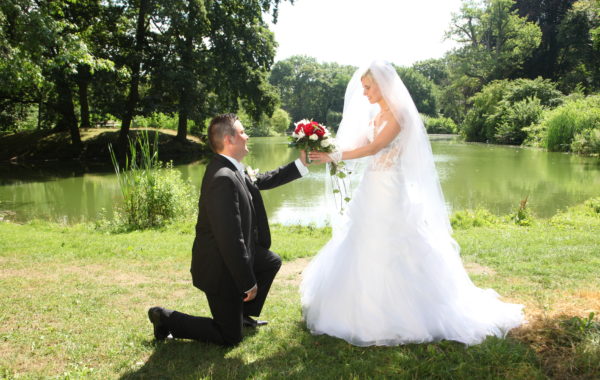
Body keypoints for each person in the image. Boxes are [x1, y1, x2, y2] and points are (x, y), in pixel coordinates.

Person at [302, 60, 524, 346]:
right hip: (371, 186)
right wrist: (323, 145)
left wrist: (335, 157)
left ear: (382, 85)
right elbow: (356, 143)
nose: (365, 93)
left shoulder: (398, 115)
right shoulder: (374, 116)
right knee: (363, 240)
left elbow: (374, 148)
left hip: (392, 188)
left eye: (368, 87)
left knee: (396, 243)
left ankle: (406, 312)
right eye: (364, 88)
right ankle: (354, 307)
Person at [148, 113, 309, 346]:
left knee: (270, 261)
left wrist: (301, 164)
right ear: (229, 140)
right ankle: (164, 318)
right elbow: (230, 240)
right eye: (242, 132)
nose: (247, 136)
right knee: (229, 337)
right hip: (219, 269)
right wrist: (247, 282)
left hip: (230, 260)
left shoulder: (234, 169)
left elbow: (263, 179)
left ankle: (241, 314)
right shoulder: (222, 178)